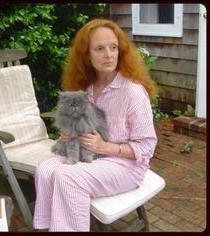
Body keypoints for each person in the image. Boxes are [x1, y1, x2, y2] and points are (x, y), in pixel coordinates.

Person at [33, 18, 158, 232]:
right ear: (87, 55)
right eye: (99, 48)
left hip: (125, 165)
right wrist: (68, 134)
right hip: (88, 154)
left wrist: (105, 147)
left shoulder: (133, 92)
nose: (108, 54)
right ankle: (49, 226)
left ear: (121, 51)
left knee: (67, 176)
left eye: (113, 47)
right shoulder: (87, 88)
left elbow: (147, 147)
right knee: (44, 170)